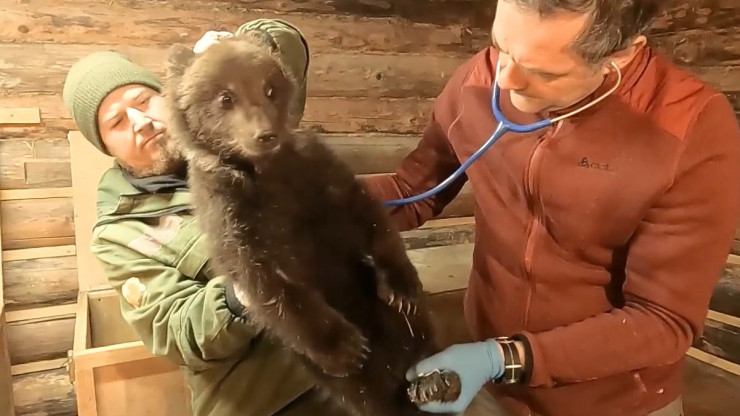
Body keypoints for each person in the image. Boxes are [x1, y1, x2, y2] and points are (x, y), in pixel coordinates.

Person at [362, 1, 740, 416]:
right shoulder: (483, 77)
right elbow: (411, 191)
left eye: (544, 71)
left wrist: (504, 357)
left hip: (609, 402)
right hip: (489, 382)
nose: (505, 79)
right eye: (500, 46)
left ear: (622, 54)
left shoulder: (689, 131)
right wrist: (302, 196)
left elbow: (663, 320)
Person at [62, 19, 338, 416]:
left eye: (142, 101)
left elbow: (287, 43)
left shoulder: (236, 133)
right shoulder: (120, 232)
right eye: (117, 123)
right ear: (107, 147)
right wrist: (248, 288)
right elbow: (177, 332)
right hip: (271, 397)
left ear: (167, 97)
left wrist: (240, 49)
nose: (139, 122)